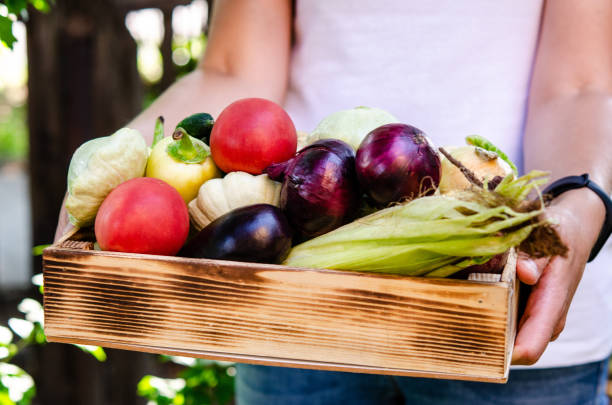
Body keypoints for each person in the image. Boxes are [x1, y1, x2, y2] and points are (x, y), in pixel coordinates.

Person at [55, 0, 612, 403]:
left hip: (503, 300)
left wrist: (580, 203)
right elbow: (234, 67)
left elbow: (581, 82)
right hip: (297, 299)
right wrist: (115, 178)